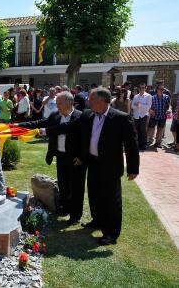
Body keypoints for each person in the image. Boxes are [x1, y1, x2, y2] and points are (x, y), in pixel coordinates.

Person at [78, 87, 139, 245]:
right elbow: (80, 136)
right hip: (93, 162)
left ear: (102, 101)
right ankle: (97, 220)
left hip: (110, 166)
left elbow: (131, 145)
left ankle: (111, 233)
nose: (88, 101)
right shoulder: (88, 115)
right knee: (94, 194)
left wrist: (133, 168)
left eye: (91, 99)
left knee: (111, 200)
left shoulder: (121, 118)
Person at [17, 92, 85, 223]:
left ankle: (75, 215)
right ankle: (65, 207)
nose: (57, 105)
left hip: (75, 158)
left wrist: (81, 156)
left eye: (60, 103)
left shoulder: (80, 116)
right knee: (63, 184)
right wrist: (20, 125)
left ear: (70, 102)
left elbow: (84, 139)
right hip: (60, 155)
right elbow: (41, 122)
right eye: (57, 103)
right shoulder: (55, 115)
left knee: (76, 187)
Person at [131, 83, 152, 150]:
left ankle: (143, 145)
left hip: (143, 115)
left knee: (143, 131)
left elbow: (148, 106)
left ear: (145, 88)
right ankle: (140, 144)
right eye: (140, 88)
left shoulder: (148, 96)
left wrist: (139, 104)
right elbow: (132, 106)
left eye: (143, 87)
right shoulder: (136, 96)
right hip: (136, 115)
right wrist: (139, 105)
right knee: (138, 130)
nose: (141, 89)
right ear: (138, 88)